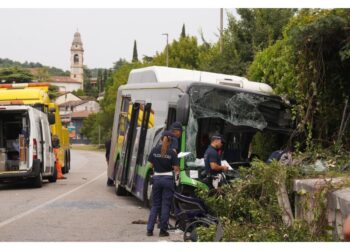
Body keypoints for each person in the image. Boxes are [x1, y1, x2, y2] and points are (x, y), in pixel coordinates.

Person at [146, 130, 180, 237]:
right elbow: (176, 169)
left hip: (156, 179)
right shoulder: (172, 153)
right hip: (168, 180)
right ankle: (162, 231)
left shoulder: (154, 150)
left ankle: (149, 230)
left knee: (155, 205)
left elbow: (149, 166)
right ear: (170, 141)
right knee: (165, 205)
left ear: (161, 139)